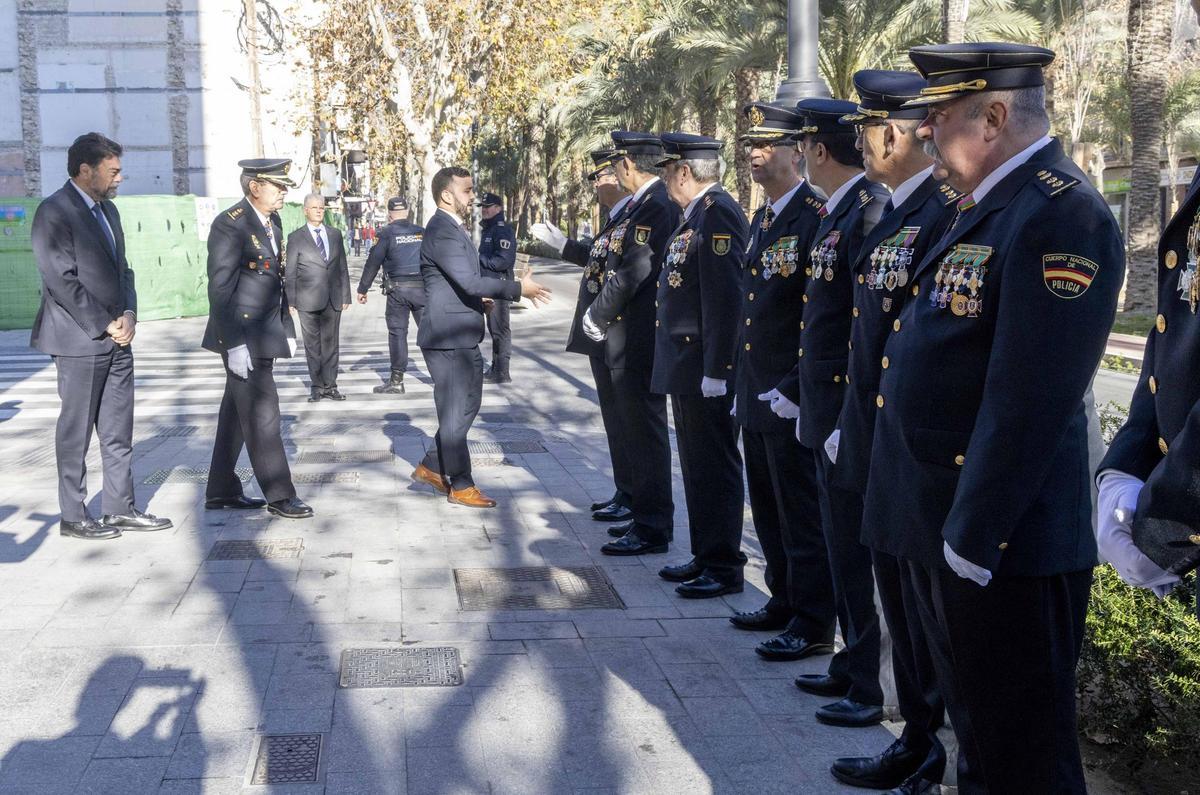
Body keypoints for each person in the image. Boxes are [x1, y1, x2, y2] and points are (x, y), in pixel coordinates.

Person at [864, 43, 1124, 793]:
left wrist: (972, 538)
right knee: (981, 741)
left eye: (939, 119)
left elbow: (1028, 402)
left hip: (1004, 542)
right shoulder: (983, 205)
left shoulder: (1060, 213)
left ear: (996, 115)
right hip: (950, 525)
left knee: (1024, 757)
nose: (926, 135)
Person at [826, 69, 962, 791]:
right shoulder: (896, 215)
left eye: (872, 127)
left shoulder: (943, 212)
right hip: (879, 443)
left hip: (918, 452)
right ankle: (915, 735)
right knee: (901, 607)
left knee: (929, 617)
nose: (863, 140)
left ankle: (932, 741)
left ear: (903, 132)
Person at [768, 97, 890, 729]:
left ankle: (869, 681)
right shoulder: (842, 211)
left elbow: (858, 326)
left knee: (852, 552)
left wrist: (843, 413)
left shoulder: (865, 212)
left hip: (843, 409)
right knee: (841, 550)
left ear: (816, 151)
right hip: (823, 407)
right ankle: (851, 666)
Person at [727, 102, 837, 670]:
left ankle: (814, 622)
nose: (754, 153)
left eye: (766, 144)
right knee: (768, 508)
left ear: (800, 151)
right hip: (758, 388)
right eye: (750, 145)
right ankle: (784, 598)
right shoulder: (764, 217)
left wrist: (796, 386)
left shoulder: (814, 214)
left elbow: (819, 314)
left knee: (801, 513)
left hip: (790, 394)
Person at [30, 132, 172, 540]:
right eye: (113, 171)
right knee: (75, 432)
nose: (120, 179)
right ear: (85, 170)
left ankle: (119, 508)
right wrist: (104, 322)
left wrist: (128, 314)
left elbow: (122, 270)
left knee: (117, 430)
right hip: (78, 341)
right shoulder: (54, 212)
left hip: (118, 340)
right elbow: (61, 279)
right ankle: (74, 516)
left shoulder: (108, 213)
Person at [411, 166, 552, 508]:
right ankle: (460, 484)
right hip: (449, 337)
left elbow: (461, 282)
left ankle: (432, 465)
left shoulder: (450, 228)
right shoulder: (442, 230)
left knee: (465, 407)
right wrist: (519, 288)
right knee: (456, 412)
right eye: (467, 190)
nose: (472, 197)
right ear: (447, 194)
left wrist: (479, 302)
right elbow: (470, 281)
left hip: (459, 332)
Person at [651, 132, 747, 597]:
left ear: (684, 173)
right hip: (687, 364)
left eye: (668, 172)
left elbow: (726, 299)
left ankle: (725, 565)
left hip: (704, 368)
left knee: (715, 466)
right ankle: (706, 553)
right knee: (695, 465)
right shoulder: (697, 215)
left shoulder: (719, 213)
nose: (666, 181)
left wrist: (718, 370)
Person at [583, 132, 681, 557]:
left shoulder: (655, 205)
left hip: (638, 336)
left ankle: (652, 525)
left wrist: (597, 314)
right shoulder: (645, 204)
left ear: (626, 166)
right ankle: (639, 509)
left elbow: (635, 269)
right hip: (625, 336)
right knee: (631, 430)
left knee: (644, 432)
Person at [202, 158, 312, 520]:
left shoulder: (273, 222)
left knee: (235, 414)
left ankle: (221, 489)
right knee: (264, 414)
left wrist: (287, 327)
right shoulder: (229, 225)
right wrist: (232, 343)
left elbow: (275, 280)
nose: (283, 192)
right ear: (254, 187)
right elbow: (220, 290)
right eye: (277, 186)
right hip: (241, 335)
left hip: (265, 332)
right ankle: (280, 494)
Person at [532, 150, 637, 524]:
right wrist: (562, 245)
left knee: (631, 423)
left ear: (619, 175)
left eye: (600, 177)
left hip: (621, 333)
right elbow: (598, 259)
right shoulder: (617, 218)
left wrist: (598, 314)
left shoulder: (637, 213)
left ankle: (637, 497)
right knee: (615, 419)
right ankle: (625, 491)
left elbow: (630, 272)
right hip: (604, 336)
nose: (595, 185)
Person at [285, 194, 351, 402]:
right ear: (305, 210)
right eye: (314, 208)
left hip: (333, 298)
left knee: (331, 344)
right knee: (312, 345)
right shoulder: (296, 237)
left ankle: (331, 385)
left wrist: (346, 295)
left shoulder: (334, 234)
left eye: (321, 207)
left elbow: (342, 266)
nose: (319, 211)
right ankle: (317, 386)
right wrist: (291, 300)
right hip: (307, 299)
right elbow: (290, 270)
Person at [357, 196, 425, 394]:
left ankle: (397, 381)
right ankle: (443, 376)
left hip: (398, 292)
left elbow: (373, 262)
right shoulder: (421, 232)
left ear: (389, 215)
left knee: (398, 334)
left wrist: (363, 289)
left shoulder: (386, 234)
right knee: (430, 332)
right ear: (407, 212)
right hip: (422, 291)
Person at [477, 192, 518, 383]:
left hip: (499, 286)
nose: (484, 210)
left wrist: (480, 259)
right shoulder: (490, 229)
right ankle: (496, 368)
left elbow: (503, 260)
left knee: (500, 330)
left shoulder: (501, 230)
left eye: (488, 206)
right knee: (494, 330)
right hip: (490, 285)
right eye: (483, 207)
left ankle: (502, 372)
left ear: (498, 209)